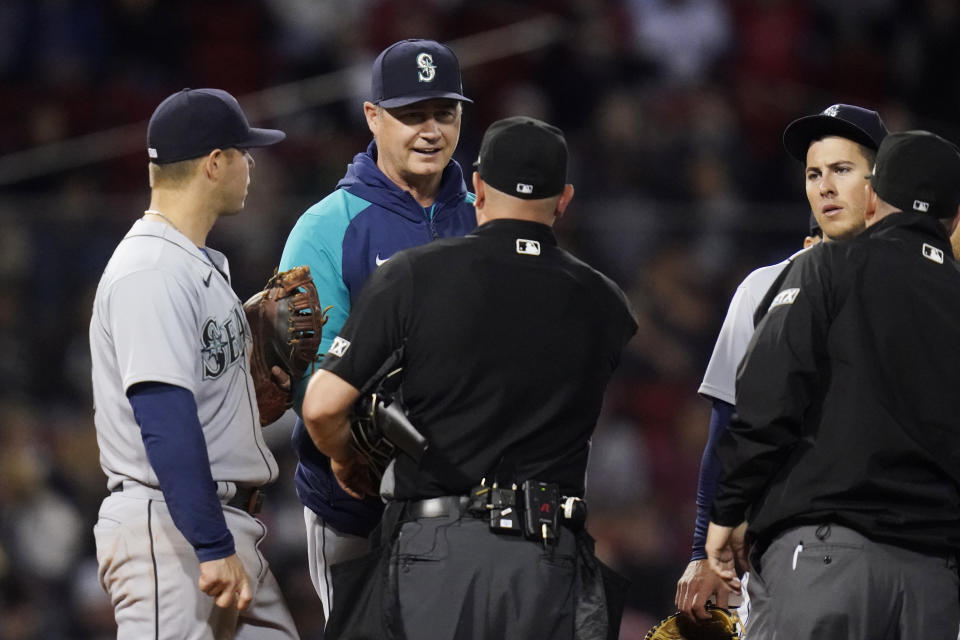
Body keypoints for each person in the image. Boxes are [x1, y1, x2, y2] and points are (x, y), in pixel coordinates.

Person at [301, 116, 638, 639]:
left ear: (477, 187)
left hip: (439, 550)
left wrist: (347, 457)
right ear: (564, 199)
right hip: (550, 556)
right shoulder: (606, 301)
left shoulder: (415, 274)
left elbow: (322, 405)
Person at [706, 130, 960, 638]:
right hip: (935, 581)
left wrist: (727, 511)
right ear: (953, 217)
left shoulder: (827, 265)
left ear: (871, 198)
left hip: (827, 558)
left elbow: (767, 401)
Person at [276, 38, 477, 621]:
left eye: (445, 113)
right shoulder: (325, 226)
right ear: (373, 117)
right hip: (355, 504)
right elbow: (311, 381)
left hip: (468, 502)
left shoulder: (483, 215)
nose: (431, 130)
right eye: (412, 114)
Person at [89, 88, 299, 639]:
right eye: (243, 152)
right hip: (174, 529)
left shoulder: (193, 264)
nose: (251, 164)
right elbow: (164, 418)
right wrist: (211, 545)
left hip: (217, 522)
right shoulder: (151, 270)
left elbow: (200, 408)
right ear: (214, 163)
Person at [675, 104, 888, 622]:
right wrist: (702, 550)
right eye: (815, 174)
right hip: (791, 547)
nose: (825, 188)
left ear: (881, 181)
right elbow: (725, 431)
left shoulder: (921, 287)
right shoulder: (762, 288)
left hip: (905, 542)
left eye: (842, 170)